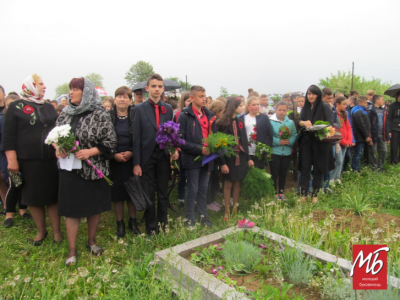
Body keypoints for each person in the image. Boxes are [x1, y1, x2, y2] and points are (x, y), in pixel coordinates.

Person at [56, 77, 117, 265]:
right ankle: (72, 250)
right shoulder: (65, 113)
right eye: (70, 89)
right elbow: (55, 136)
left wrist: (90, 152)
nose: (71, 93)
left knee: (93, 207)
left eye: (75, 89)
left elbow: (111, 142)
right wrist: (58, 147)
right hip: (70, 170)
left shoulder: (100, 114)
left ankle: (91, 241)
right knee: (72, 210)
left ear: (87, 93)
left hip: (93, 169)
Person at [3, 74, 62, 244]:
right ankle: (41, 232)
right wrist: (12, 160)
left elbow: (55, 132)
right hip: (28, 161)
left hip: (50, 160)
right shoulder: (16, 107)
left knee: (52, 197)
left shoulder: (48, 107)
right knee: (34, 198)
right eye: (40, 84)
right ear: (30, 86)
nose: (44, 87)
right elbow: (8, 137)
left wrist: (59, 147)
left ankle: (57, 233)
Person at [132, 74, 179, 236]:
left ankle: (163, 224)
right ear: (147, 89)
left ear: (163, 89)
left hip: (163, 156)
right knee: (149, 191)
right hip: (147, 156)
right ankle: (151, 226)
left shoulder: (168, 109)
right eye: (153, 86)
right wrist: (137, 163)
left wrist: (174, 151)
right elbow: (136, 137)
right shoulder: (139, 109)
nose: (157, 89)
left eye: (160, 86)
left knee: (163, 192)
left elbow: (172, 132)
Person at [178, 86, 216, 227]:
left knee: (203, 188)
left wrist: (215, 146)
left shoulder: (209, 115)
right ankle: (189, 219)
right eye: (201, 96)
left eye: (205, 95)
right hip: (191, 158)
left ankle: (203, 216)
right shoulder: (184, 116)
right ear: (192, 98)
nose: (204, 98)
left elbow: (214, 135)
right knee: (192, 189)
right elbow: (180, 140)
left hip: (208, 158)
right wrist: (200, 149)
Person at [109, 86, 140, 237]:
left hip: (131, 160)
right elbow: (103, 139)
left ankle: (133, 221)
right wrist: (113, 154)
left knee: (132, 192)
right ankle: (119, 223)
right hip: (114, 160)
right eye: (119, 96)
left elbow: (141, 137)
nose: (122, 99)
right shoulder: (107, 116)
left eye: (125, 97)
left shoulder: (135, 116)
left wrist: (132, 152)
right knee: (117, 194)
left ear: (130, 100)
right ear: (114, 99)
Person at [217, 97, 254, 221]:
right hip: (228, 157)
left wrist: (248, 158)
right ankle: (226, 211)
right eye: (240, 106)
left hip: (241, 156)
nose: (242, 108)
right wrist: (222, 163)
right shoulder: (222, 122)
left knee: (237, 182)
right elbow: (219, 145)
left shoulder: (240, 121)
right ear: (234, 106)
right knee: (228, 183)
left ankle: (235, 208)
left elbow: (244, 140)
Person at [298, 85, 334, 203]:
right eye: (308, 94)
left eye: (313, 94)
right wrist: (303, 123)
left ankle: (315, 195)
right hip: (307, 141)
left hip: (320, 143)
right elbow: (299, 121)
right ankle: (303, 194)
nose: (311, 96)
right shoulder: (306, 107)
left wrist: (317, 127)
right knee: (305, 168)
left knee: (318, 169)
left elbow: (330, 123)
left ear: (318, 95)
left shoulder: (324, 107)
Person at [1, 93, 32, 227]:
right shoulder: (4, 120)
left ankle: (23, 210)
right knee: (13, 184)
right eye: (8, 105)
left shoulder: (24, 119)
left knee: (23, 184)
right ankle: (9, 214)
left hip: (24, 155)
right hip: (9, 156)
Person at [269, 101, 297, 200]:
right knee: (274, 172)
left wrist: (289, 141)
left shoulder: (290, 122)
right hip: (275, 151)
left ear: (287, 110)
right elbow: (268, 136)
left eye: (284, 110)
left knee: (283, 172)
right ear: (275, 110)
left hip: (286, 152)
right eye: (279, 110)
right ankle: (273, 192)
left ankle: (281, 192)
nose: (281, 112)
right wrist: (278, 141)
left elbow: (294, 134)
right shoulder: (271, 121)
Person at [239, 96, 273, 169]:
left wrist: (266, 149)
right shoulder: (242, 118)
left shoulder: (264, 118)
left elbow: (269, 134)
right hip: (247, 151)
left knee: (259, 172)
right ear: (248, 106)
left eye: (257, 104)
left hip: (260, 151)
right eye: (253, 105)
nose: (256, 107)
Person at [206, 100, 225, 211]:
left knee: (214, 179)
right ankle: (208, 202)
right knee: (210, 180)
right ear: (217, 111)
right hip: (211, 154)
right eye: (223, 111)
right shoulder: (213, 121)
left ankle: (212, 200)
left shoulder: (216, 121)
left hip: (215, 154)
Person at [174, 92, 191, 208]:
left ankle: (191, 197)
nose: (190, 103)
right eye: (188, 101)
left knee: (191, 176)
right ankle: (180, 197)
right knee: (182, 174)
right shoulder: (179, 114)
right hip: (181, 149)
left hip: (192, 148)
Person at [330, 97, 353, 184]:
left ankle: (337, 177)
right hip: (339, 141)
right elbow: (336, 129)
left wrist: (349, 141)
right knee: (338, 160)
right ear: (337, 104)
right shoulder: (335, 114)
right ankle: (331, 178)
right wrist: (344, 141)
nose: (346, 106)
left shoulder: (345, 114)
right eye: (344, 104)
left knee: (341, 160)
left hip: (346, 142)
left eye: (346, 104)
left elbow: (348, 127)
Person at [367, 95, 389, 171]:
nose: (383, 101)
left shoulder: (383, 110)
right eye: (382, 99)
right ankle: (374, 167)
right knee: (373, 152)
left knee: (384, 151)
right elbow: (368, 124)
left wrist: (387, 135)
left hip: (382, 134)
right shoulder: (370, 110)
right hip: (373, 134)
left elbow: (386, 123)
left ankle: (380, 166)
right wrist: (368, 135)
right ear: (377, 100)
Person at [351, 96, 372, 171]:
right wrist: (366, 136)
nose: (366, 104)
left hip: (361, 135)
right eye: (365, 102)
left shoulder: (362, 110)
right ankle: (355, 168)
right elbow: (361, 125)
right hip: (359, 136)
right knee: (358, 152)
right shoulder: (358, 111)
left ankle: (356, 166)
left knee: (359, 152)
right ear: (359, 103)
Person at [387, 91, 400, 164]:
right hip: (394, 128)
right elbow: (389, 119)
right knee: (394, 146)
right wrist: (389, 131)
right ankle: (393, 161)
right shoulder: (392, 106)